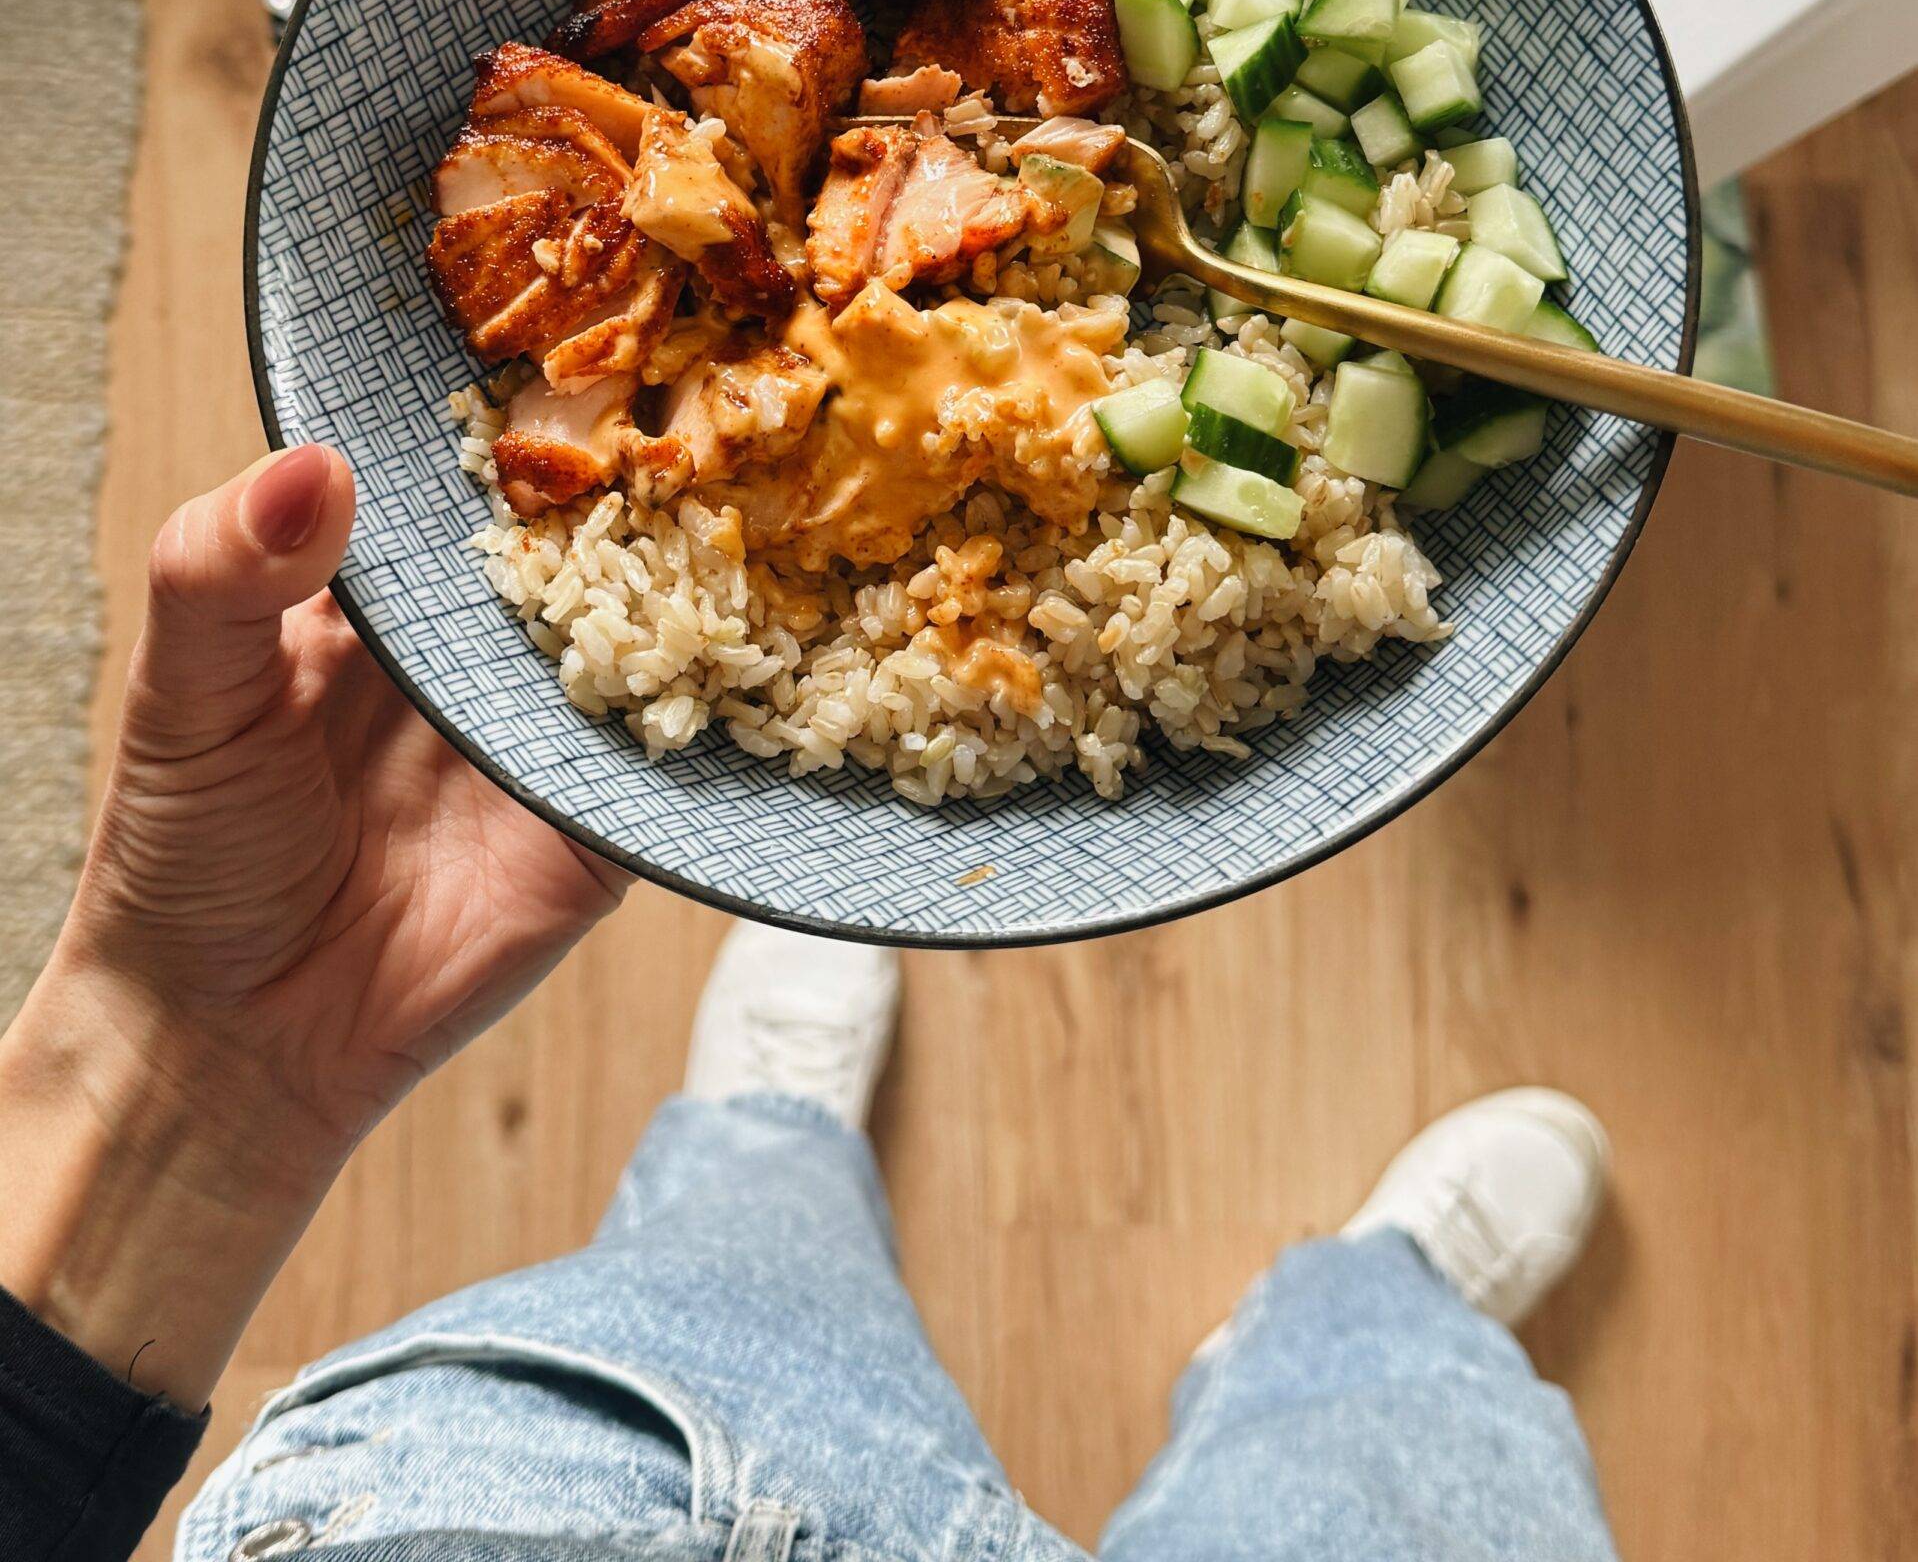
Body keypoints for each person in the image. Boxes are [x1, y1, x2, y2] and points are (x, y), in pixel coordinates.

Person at [0, 445, 1623, 1562]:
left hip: (548, 1494)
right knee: (1408, 1455)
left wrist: (194, 1064)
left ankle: (768, 1141)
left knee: (734, 1274)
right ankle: (1371, 1314)